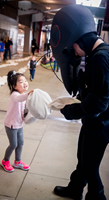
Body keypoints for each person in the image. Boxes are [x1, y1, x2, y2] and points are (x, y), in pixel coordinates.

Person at [51, 4, 109, 200]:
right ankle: (75, 188)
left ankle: (97, 197)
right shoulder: (97, 54)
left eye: (72, 46)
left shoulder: (100, 58)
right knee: (82, 161)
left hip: (101, 124)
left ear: (80, 40)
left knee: (90, 168)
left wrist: (72, 111)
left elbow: (99, 102)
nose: (73, 51)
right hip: (94, 122)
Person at [1, 70, 33, 173]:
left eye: (25, 80)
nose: (24, 83)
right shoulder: (15, 95)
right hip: (10, 125)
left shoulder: (23, 96)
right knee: (13, 144)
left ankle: (17, 162)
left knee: (21, 143)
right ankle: (5, 161)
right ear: (14, 86)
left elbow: (24, 108)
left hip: (19, 124)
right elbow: (20, 98)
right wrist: (29, 94)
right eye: (21, 82)